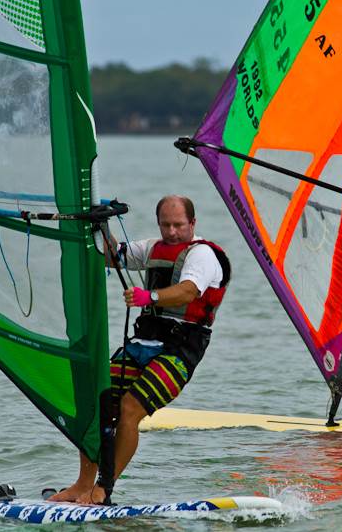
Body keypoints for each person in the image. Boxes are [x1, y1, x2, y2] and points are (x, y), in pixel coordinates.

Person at [49, 195, 230, 504]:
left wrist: (150, 298)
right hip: (143, 344)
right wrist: (101, 226)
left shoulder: (203, 255)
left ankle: (103, 488)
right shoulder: (153, 248)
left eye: (178, 225)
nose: (171, 231)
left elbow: (188, 291)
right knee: (96, 401)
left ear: (193, 223)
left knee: (130, 409)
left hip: (180, 350)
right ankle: (82, 484)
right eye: (165, 225)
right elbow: (111, 256)